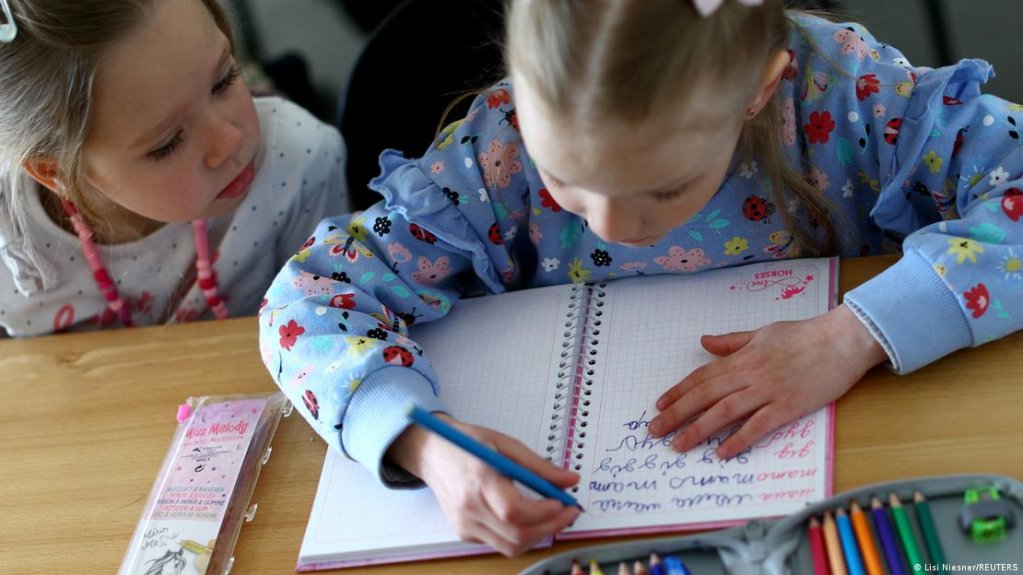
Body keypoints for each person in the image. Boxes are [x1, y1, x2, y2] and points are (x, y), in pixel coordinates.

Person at [259, 0, 1023, 556]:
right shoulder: (496, 153)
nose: (611, 225)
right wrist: (419, 443)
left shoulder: (849, 99)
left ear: (758, 89)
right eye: (565, 176)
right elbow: (308, 298)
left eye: (664, 187)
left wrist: (851, 335)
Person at [0, 0, 348, 336]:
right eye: (168, 143)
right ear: (54, 172)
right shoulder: (10, 243)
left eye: (223, 80)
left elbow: (333, 332)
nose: (230, 141)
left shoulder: (299, 164)